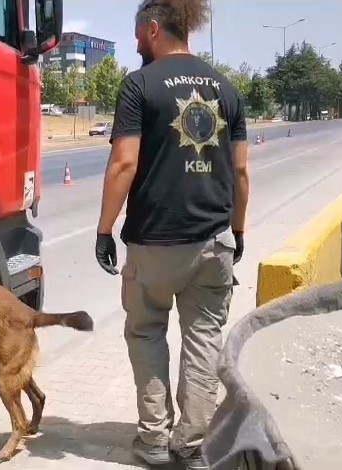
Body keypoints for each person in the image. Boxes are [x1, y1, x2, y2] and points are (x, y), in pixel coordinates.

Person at [93, 0, 250, 468]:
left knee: (146, 333)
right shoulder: (227, 88)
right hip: (213, 240)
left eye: (139, 34)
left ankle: (155, 441)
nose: (136, 43)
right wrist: (238, 229)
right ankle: (193, 444)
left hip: (154, 242)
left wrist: (105, 230)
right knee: (204, 337)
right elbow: (241, 173)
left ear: (155, 28)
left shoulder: (140, 84)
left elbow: (124, 162)